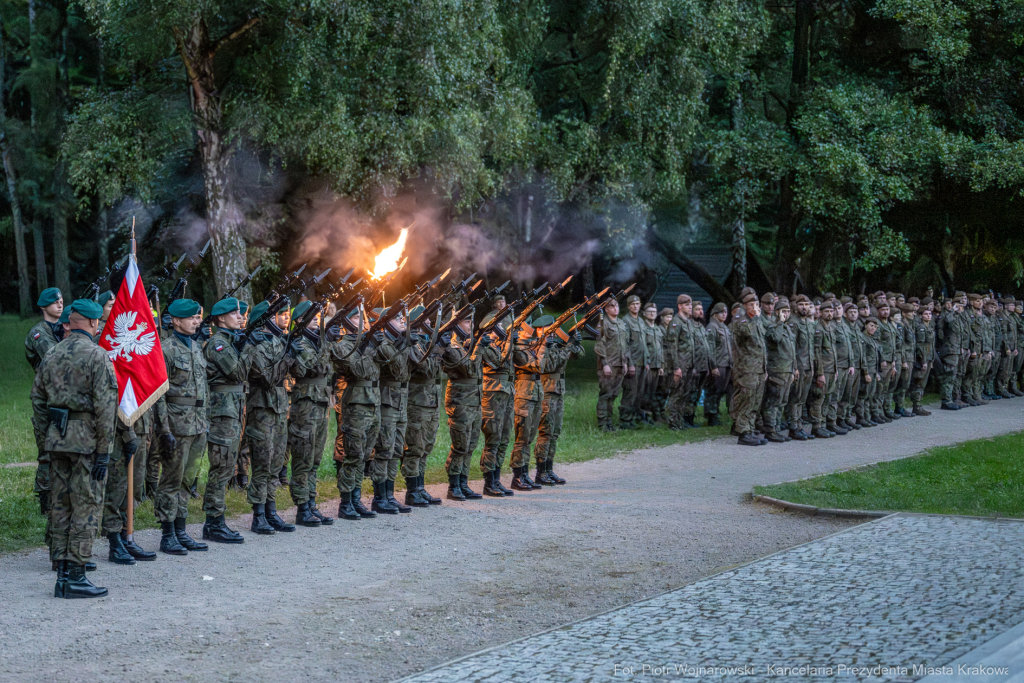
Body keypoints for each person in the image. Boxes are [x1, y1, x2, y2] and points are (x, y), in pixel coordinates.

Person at [30, 298, 116, 598]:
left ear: (70, 321)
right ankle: (77, 573)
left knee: (60, 504)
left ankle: (63, 572)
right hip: (87, 442)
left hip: (57, 439)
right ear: (93, 323)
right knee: (87, 506)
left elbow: (38, 401)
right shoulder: (97, 356)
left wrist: (45, 441)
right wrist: (105, 450)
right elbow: (106, 407)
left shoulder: (51, 354)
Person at [151, 299, 208, 555]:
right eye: (190, 318)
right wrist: (164, 430)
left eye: (197, 317)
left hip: (197, 424)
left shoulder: (196, 347)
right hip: (176, 424)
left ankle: (181, 530)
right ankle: (167, 533)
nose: (196, 321)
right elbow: (159, 394)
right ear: (175, 321)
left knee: (188, 479)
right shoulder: (166, 350)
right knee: (171, 480)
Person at [331, 312, 397, 519]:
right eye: (358, 318)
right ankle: (346, 502)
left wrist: (381, 342)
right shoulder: (342, 346)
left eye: (365, 318)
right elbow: (359, 370)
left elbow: (392, 361)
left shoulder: (371, 344)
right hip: (356, 405)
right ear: (347, 323)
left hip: (374, 404)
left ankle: (356, 499)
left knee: (366, 455)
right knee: (353, 455)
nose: (365, 321)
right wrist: (371, 347)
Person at [202, 297, 254, 543]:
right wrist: (248, 347)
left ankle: (216, 522)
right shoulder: (218, 344)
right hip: (222, 415)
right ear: (221, 318)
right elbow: (238, 372)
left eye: (241, 314)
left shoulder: (231, 342)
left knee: (227, 466)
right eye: (235, 314)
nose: (241, 317)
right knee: (221, 468)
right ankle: (213, 523)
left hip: (232, 413)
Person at [244, 301, 297, 534]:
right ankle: (258, 515)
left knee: (275, 463)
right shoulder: (255, 346)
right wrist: (288, 355)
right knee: (262, 463)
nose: (283, 318)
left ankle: (271, 510)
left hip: (277, 409)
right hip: (262, 410)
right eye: (278, 314)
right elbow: (268, 378)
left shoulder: (277, 342)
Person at [370, 310, 420, 514]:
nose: (402, 321)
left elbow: (419, 363)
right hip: (387, 400)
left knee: (397, 450)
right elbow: (398, 369)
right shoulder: (383, 344)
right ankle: (379, 497)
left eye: (402, 318)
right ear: (385, 322)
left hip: (401, 400)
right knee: (384, 449)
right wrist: (404, 344)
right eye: (396, 318)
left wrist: (412, 343)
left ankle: (389, 495)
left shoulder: (399, 342)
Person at [403, 307, 446, 505]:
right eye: (426, 321)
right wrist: (438, 348)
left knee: (426, 446)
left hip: (431, 402)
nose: (430, 324)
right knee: (415, 447)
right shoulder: (413, 344)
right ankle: (412, 491)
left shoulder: (426, 343)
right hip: (417, 403)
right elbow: (427, 367)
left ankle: (420, 488)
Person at [533, 317, 584, 484]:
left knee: (554, 433)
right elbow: (549, 366)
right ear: (540, 329)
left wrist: (573, 343)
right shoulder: (539, 346)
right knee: (546, 433)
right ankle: (540, 472)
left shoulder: (554, 345)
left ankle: (549, 469)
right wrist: (567, 347)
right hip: (546, 392)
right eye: (549, 328)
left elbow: (580, 355)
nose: (553, 331)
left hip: (558, 391)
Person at [442, 315, 486, 498]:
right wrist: (480, 347)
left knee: (470, 445)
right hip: (460, 402)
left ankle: (463, 482)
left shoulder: (465, 345)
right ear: (456, 324)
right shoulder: (452, 346)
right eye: (467, 321)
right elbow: (469, 368)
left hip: (474, 402)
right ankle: (453, 486)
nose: (471, 325)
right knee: (460, 445)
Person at [478, 310, 517, 497]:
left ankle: (497, 478)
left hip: (507, 392)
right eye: (499, 326)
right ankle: (488, 481)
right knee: (493, 439)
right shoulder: (484, 345)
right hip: (493, 394)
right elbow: (498, 363)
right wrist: (509, 342)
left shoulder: (502, 343)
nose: (503, 329)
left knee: (504, 438)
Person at [509, 321, 550, 491]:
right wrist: (543, 346)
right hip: (524, 396)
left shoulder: (530, 346)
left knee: (530, 437)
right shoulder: (517, 349)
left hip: (535, 394)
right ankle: (517, 476)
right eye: (526, 329)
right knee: (522, 437)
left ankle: (524, 473)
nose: (530, 332)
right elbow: (537, 365)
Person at [730, 291, 767, 446]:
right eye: (751, 304)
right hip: (747, 368)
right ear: (745, 306)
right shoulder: (741, 319)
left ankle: (750, 429)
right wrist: (757, 317)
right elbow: (748, 334)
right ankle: (743, 432)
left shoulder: (755, 320)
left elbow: (763, 339)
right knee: (747, 400)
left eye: (756, 304)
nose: (755, 307)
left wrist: (764, 369)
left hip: (758, 367)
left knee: (755, 402)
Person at [762, 299, 795, 442]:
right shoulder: (773, 327)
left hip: (787, 370)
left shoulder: (787, 328)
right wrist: (780, 322)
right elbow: (775, 338)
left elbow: (792, 351)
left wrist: (793, 370)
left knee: (782, 401)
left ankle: (776, 428)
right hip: (777, 370)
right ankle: (770, 430)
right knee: (774, 401)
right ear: (777, 312)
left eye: (788, 311)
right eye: (783, 311)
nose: (786, 314)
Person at [594, 298, 630, 432]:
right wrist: (604, 363)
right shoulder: (603, 323)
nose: (615, 308)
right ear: (606, 309)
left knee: (614, 394)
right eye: (612, 306)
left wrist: (625, 363)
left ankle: (609, 422)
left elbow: (624, 345)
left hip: (620, 364)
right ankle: (603, 424)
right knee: (606, 394)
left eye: (617, 305)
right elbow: (599, 345)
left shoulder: (621, 323)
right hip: (609, 365)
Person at [786, 295, 816, 440]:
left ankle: (799, 426)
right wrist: (795, 367)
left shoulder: (810, 324)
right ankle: (794, 427)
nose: (804, 307)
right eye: (801, 304)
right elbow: (791, 347)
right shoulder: (793, 322)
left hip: (809, 365)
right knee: (795, 398)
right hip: (799, 366)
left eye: (807, 304)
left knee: (802, 398)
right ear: (796, 306)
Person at [665, 294, 697, 430]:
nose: (690, 307)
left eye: (690, 304)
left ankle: (679, 421)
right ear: (680, 306)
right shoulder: (675, 322)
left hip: (688, 364)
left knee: (684, 394)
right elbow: (672, 346)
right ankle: (672, 423)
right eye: (687, 305)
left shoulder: (688, 323)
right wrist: (676, 367)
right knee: (676, 394)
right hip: (680, 365)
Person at [619, 294, 646, 428]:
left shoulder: (641, 321)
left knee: (639, 393)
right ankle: (625, 420)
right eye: (633, 304)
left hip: (642, 362)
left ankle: (634, 417)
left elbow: (643, 343)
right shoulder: (626, 321)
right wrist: (629, 364)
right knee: (630, 391)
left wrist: (646, 362)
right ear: (629, 306)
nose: (635, 306)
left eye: (637, 304)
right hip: (633, 362)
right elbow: (625, 344)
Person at [704, 302, 731, 426]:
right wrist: (713, 366)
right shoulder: (712, 327)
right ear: (715, 314)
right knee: (713, 390)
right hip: (718, 364)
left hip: (725, 363)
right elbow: (710, 348)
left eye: (726, 312)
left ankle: (715, 413)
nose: (724, 314)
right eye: (721, 312)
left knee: (720, 390)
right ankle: (711, 415)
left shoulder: (724, 327)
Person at [639, 302, 665, 425]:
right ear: (644, 313)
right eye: (649, 311)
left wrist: (662, 365)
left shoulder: (658, 329)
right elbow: (641, 347)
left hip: (657, 365)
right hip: (647, 365)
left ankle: (652, 416)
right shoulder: (642, 328)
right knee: (645, 391)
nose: (652, 314)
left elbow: (661, 349)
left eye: (654, 312)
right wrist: (646, 363)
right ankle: (643, 417)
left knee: (653, 391)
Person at [687, 301, 712, 426]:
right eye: (697, 309)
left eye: (701, 309)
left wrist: (707, 366)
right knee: (690, 393)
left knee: (697, 393)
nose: (701, 312)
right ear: (691, 312)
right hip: (695, 366)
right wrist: (694, 367)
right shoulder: (689, 326)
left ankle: (692, 416)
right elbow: (690, 349)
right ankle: (687, 418)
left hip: (703, 366)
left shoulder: (701, 327)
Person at [910, 306, 935, 415]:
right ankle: (916, 405)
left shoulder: (929, 327)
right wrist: (924, 360)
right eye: (926, 314)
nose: (928, 316)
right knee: (919, 382)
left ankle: (918, 405)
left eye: (929, 314)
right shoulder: (921, 328)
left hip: (929, 358)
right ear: (921, 315)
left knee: (923, 383)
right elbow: (920, 345)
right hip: (923, 359)